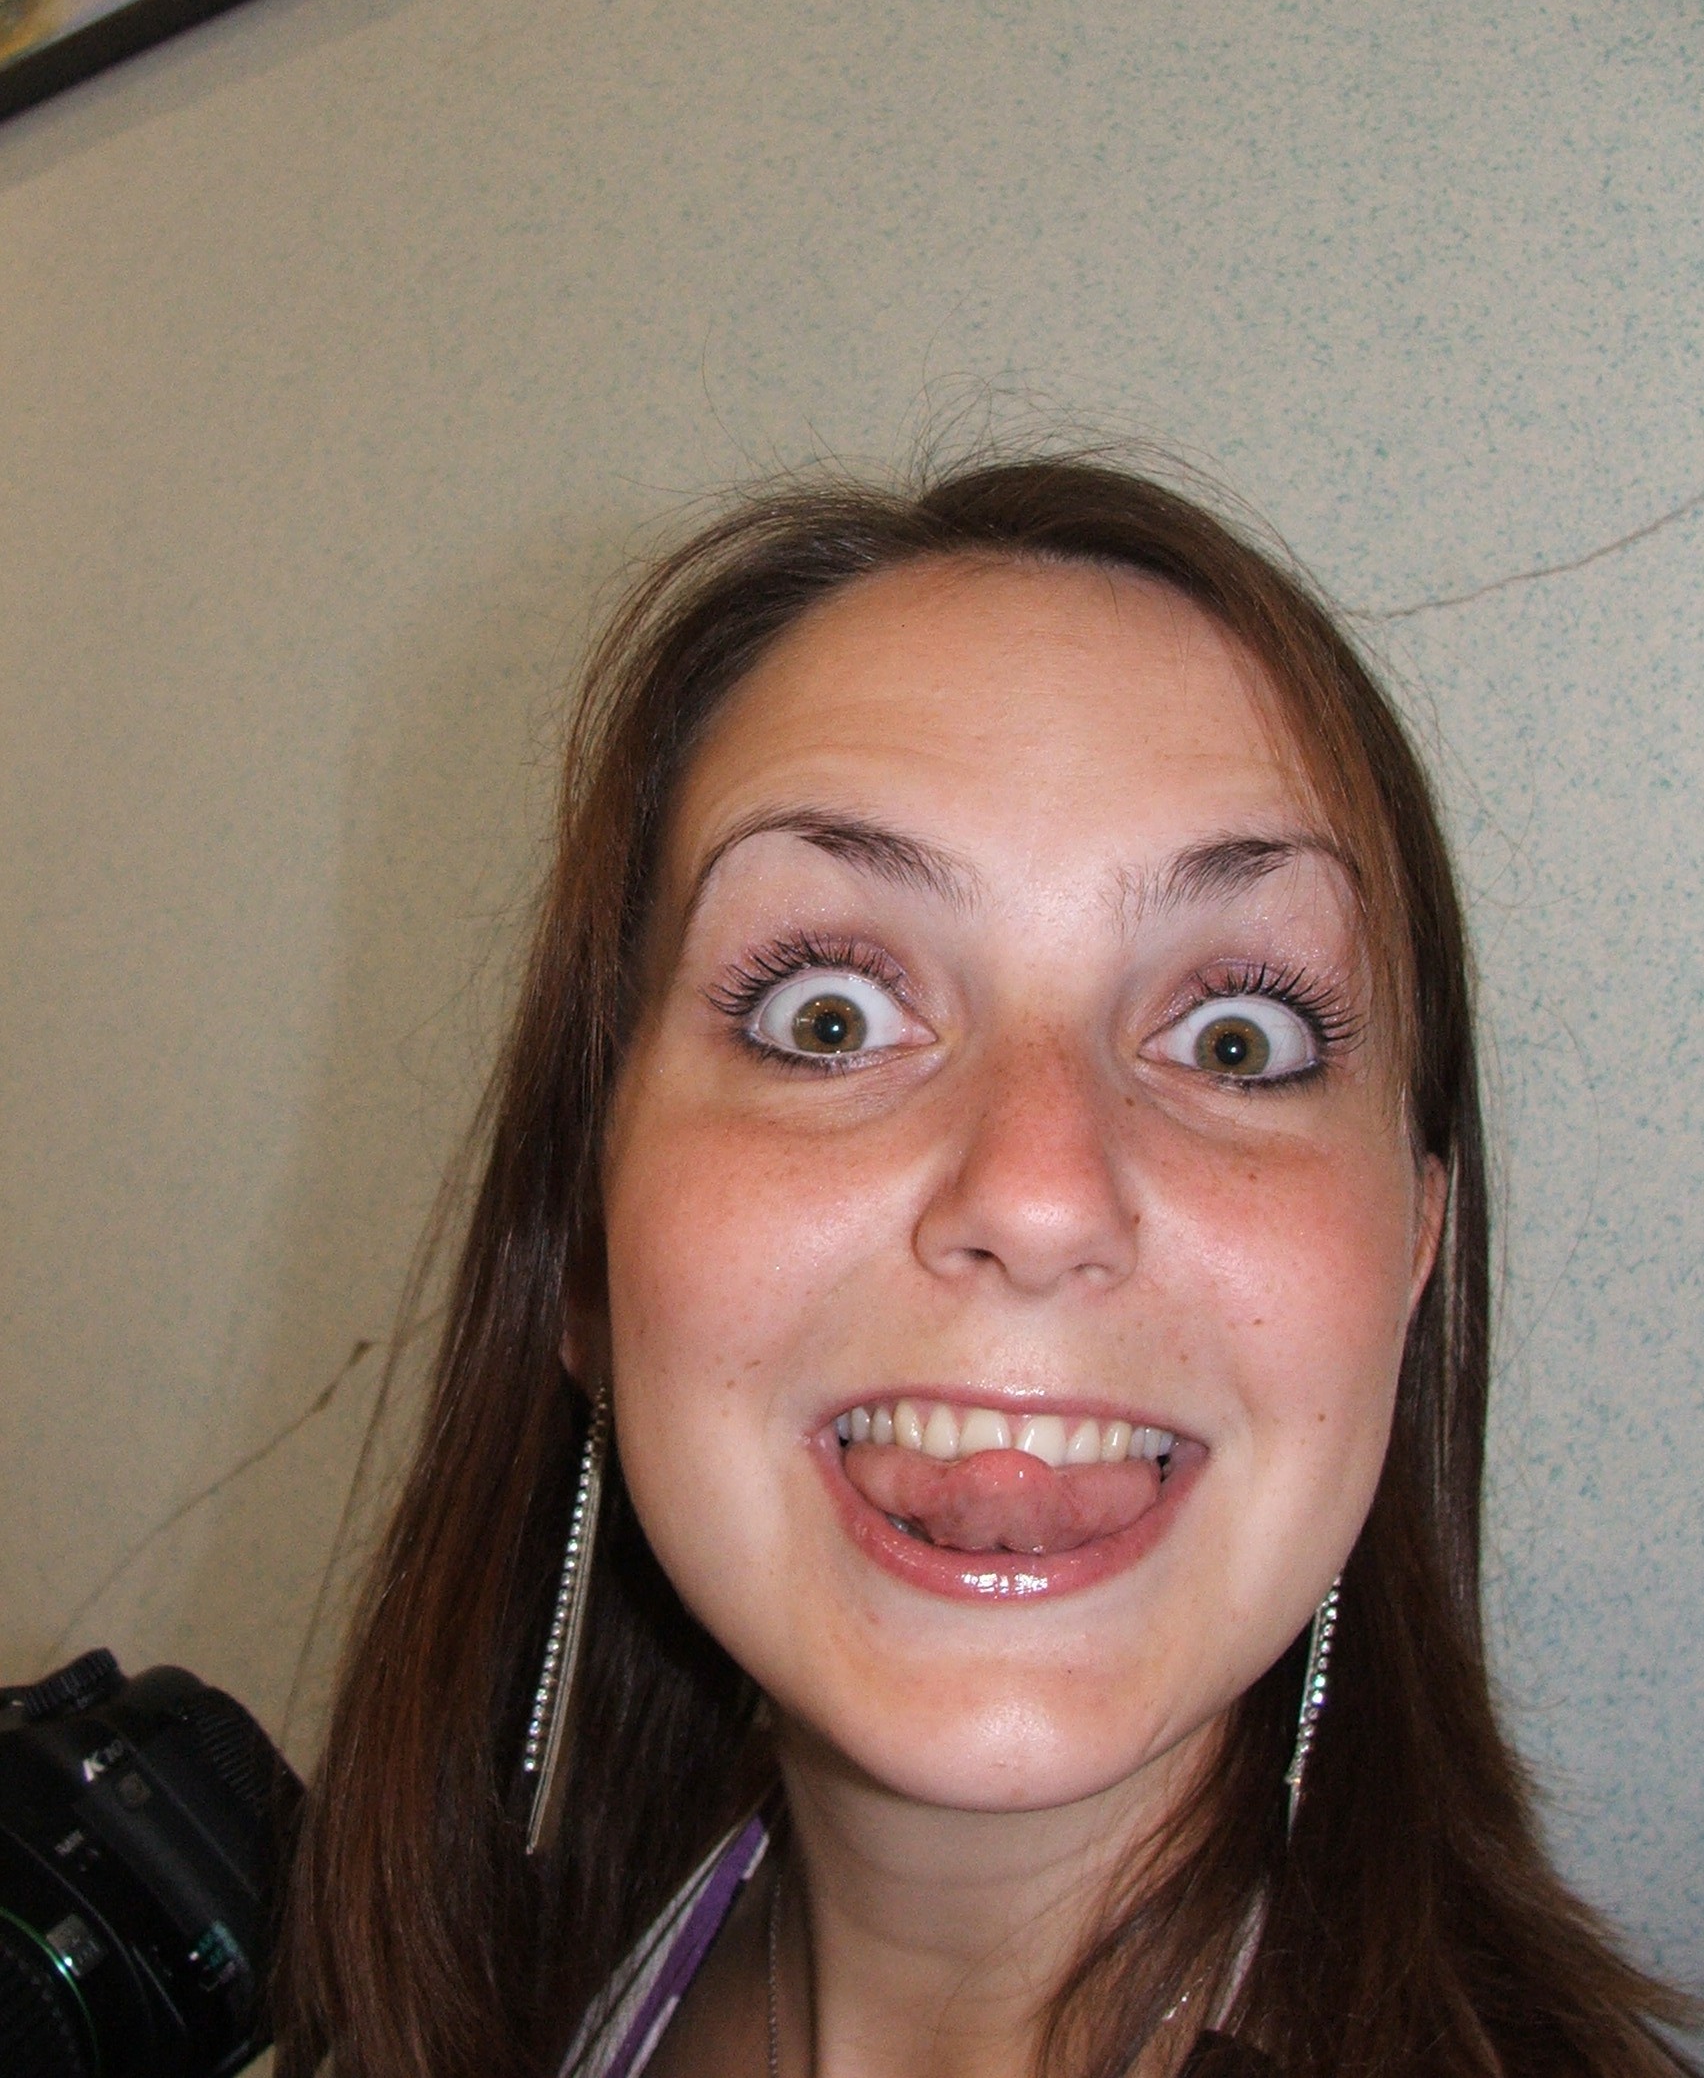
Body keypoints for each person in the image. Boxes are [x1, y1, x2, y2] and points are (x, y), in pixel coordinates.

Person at [275, 455, 1698, 2078]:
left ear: (1413, 1256)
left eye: (1237, 1039)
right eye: (829, 1018)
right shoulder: (459, 2015)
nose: (1037, 1194)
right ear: (584, 1253)